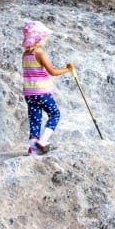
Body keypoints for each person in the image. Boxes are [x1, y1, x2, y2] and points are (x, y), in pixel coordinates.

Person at [21, 21, 73, 155]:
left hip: (29, 94)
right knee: (55, 114)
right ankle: (43, 140)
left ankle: (32, 148)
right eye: (44, 37)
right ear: (38, 39)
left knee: (35, 119)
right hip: (42, 92)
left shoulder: (25, 55)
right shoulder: (40, 54)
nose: (45, 40)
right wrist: (68, 69)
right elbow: (53, 72)